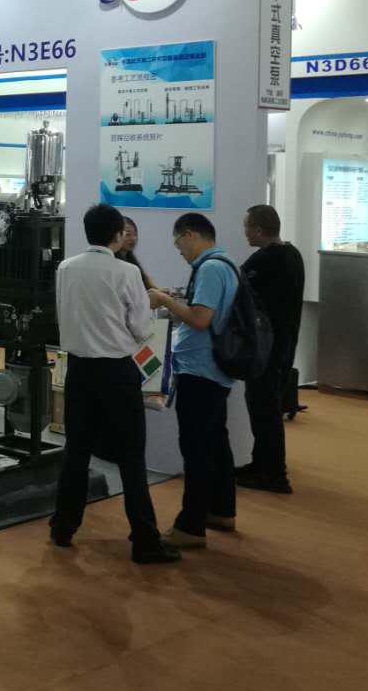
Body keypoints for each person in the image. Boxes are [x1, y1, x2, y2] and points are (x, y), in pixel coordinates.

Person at [50, 204, 178, 564]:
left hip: (79, 371)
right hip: (117, 373)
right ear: (118, 234)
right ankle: (145, 541)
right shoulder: (127, 272)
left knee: (76, 452)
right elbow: (140, 328)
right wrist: (152, 304)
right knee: (131, 458)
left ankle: (63, 528)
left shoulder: (66, 268)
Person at [148, 213, 238, 548]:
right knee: (216, 442)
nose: (180, 252)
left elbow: (200, 319)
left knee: (196, 447)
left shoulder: (211, 268)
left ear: (189, 235)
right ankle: (221, 510)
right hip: (212, 370)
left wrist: (164, 300)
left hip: (201, 370)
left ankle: (191, 525)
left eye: (178, 245)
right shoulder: (225, 264)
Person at [238, 204, 305, 494]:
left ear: (258, 230)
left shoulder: (266, 259)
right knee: (266, 406)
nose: (245, 233)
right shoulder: (293, 254)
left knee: (264, 408)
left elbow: (237, 285)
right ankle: (261, 464)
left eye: (247, 227)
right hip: (284, 344)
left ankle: (274, 474)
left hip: (266, 348)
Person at [116, 217, 156, 290]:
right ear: (117, 236)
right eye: (128, 234)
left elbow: (149, 286)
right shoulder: (114, 263)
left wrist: (161, 292)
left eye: (135, 234)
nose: (133, 238)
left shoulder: (133, 263)